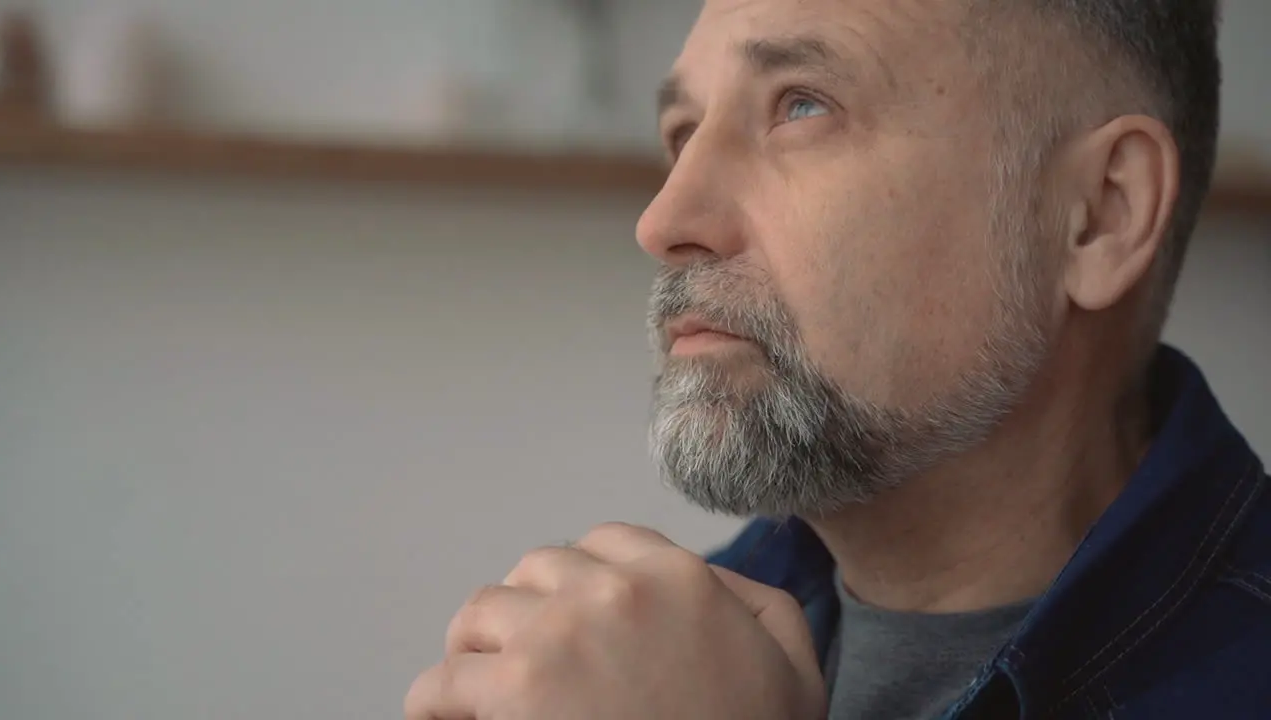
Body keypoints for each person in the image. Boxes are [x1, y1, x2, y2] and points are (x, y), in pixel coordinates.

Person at [405, 0, 1269, 717]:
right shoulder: (631, 672)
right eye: (683, 132)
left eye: (800, 105)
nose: (665, 221)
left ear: (1099, 213)